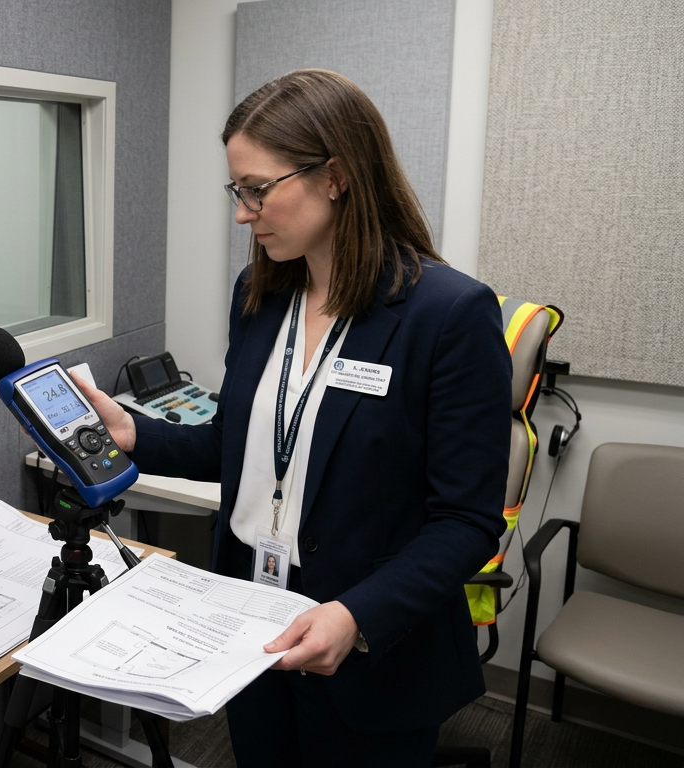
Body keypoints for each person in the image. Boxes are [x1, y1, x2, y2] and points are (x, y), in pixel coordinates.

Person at [72, 69, 510, 766]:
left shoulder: (448, 315)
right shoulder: (262, 291)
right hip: (250, 619)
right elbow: (239, 447)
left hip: (367, 644)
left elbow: (465, 520)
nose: (243, 213)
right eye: (236, 191)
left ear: (334, 175)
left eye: (257, 189)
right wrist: (134, 436)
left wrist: (356, 616)